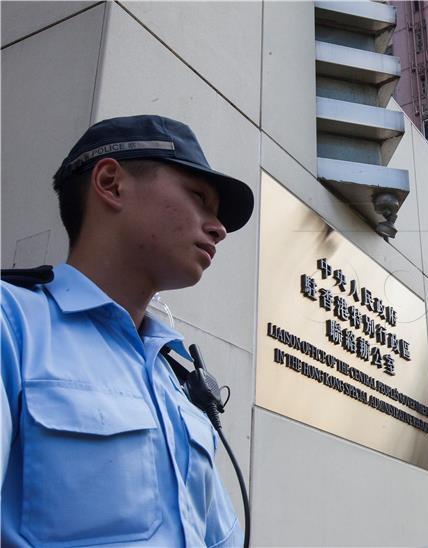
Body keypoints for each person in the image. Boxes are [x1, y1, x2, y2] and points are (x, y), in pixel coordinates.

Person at [1, 115, 254, 546]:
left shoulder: (176, 381)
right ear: (111, 183)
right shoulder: (13, 324)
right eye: (198, 197)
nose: (219, 228)